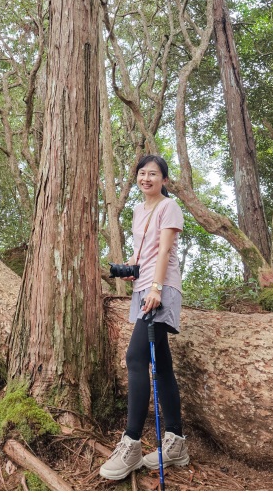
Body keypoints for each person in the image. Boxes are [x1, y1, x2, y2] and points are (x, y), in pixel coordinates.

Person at [100, 155, 188, 480]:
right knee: (161, 366)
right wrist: (132, 271)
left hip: (160, 288)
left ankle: (132, 443)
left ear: (164, 179)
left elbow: (164, 251)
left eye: (153, 174)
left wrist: (155, 287)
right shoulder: (138, 211)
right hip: (143, 288)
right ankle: (176, 442)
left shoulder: (169, 207)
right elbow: (145, 251)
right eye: (141, 173)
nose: (146, 178)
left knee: (135, 358)